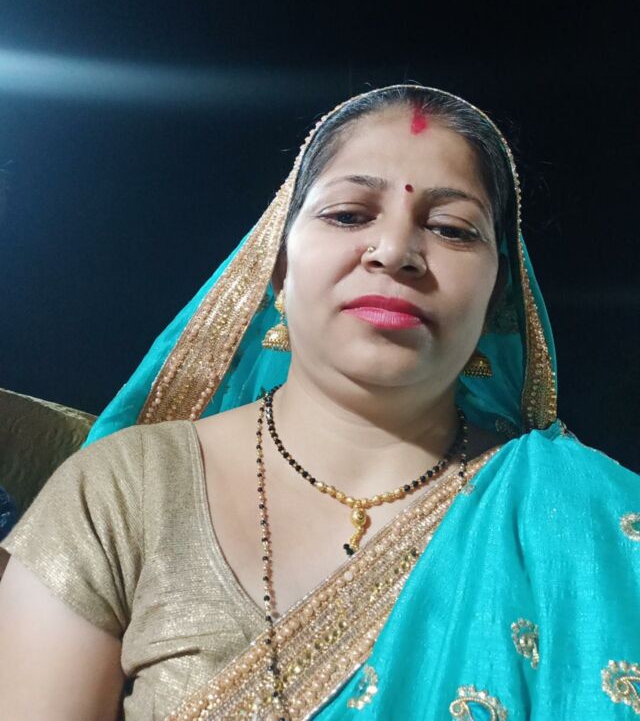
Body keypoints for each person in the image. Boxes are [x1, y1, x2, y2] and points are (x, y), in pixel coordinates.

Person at [1, 84, 638, 720]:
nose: (395, 252)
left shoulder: (582, 520)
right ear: (277, 268)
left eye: (450, 228)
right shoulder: (124, 492)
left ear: (500, 295)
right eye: (349, 215)